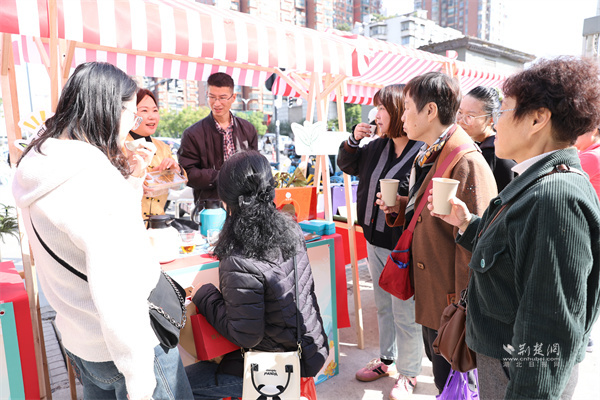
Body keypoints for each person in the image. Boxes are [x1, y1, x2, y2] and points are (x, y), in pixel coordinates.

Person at [12, 62, 193, 400]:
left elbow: (93, 237)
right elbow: (117, 286)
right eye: (133, 115)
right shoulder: (93, 177)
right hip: (128, 348)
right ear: (110, 110)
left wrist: (133, 178)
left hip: (81, 341)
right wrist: (139, 376)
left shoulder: (41, 162)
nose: (132, 126)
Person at [430, 57, 600, 399]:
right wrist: (468, 224)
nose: (496, 122)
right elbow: (516, 252)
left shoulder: (554, 197)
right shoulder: (540, 183)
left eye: (504, 110)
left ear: (537, 119)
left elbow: (549, 328)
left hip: (516, 371)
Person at [379, 72, 497, 393]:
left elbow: (479, 240)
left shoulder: (466, 160)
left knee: (453, 383)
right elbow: (434, 213)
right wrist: (400, 205)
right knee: (443, 379)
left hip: (451, 305)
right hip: (435, 296)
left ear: (430, 111)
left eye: (407, 107)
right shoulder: (430, 152)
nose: (403, 116)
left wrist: (461, 310)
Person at [185, 150, 329, 399]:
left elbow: (246, 335)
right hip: (311, 348)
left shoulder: (239, 258)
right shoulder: (291, 228)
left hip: (276, 367)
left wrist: (204, 295)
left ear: (226, 200)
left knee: (179, 383)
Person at [337, 84, 424, 399]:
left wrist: (399, 203)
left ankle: (409, 373)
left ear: (400, 110)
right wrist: (353, 140)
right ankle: (387, 360)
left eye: (383, 108)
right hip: (373, 240)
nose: (376, 115)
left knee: (405, 312)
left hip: (403, 247)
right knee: (384, 307)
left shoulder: (423, 152)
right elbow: (347, 165)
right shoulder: (376, 146)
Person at [178, 72, 258, 203]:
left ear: (233, 97)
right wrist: (221, 177)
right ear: (207, 94)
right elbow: (187, 173)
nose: (217, 103)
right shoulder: (192, 134)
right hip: (210, 205)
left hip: (244, 204)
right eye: (212, 97)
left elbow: (256, 166)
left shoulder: (248, 129)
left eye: (222, 98)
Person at [125, 88, 184, 219]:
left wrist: (175, 171)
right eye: (144, 110)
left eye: (155, 110)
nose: (152, 116)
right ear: (131, 113)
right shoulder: (120, 145)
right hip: (130, 222)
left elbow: (179, 187)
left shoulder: (163, 148)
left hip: (159, 223)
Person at [456, 86, 516, 191]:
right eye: (460, 112)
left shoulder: (497, 154)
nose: (461, 120)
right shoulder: (474, 145)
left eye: (470, 116)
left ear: (491, 119)